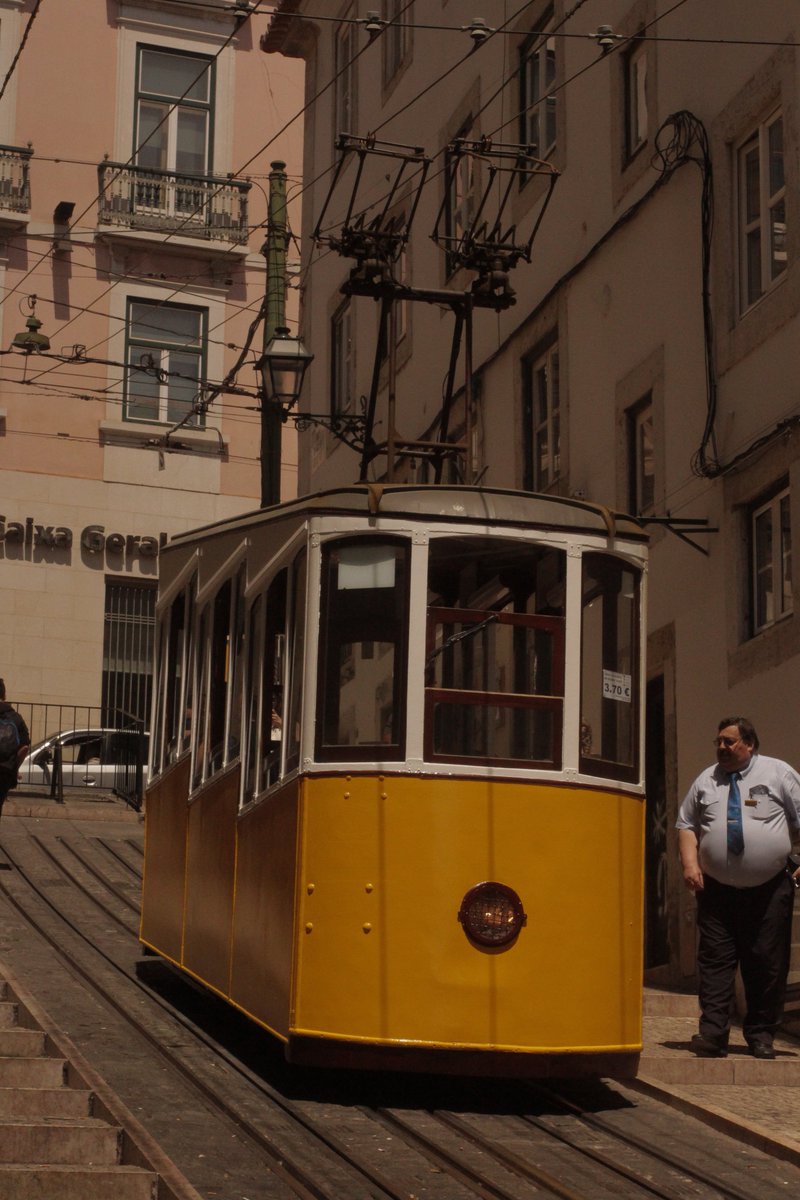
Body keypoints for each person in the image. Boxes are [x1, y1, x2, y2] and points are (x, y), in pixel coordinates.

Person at [676, 716, 800, 1060]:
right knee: (715, 962)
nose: (722, 748)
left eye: (729, 742)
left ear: (750, 744)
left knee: (766, 964)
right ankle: (712, 1034)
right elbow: (686, 823)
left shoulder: (778, 774)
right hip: (716, 891)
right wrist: (690, 864)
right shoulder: (706, 779)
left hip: (769, 889)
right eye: (718, 741)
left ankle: (761, 1035)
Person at [0, 678, 30, 820]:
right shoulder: (16, 718)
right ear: (4, 695)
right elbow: (24, 747)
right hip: (4, 772)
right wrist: (14, 767)